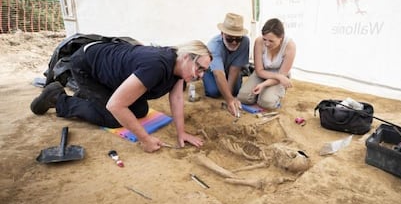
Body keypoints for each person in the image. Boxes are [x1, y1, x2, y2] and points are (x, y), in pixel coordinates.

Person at [30, 39, 212, 153]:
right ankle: (58, 99)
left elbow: (177, 98)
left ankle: (88, 96)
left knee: (140, 109)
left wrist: (182, 133)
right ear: (187, 57)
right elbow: (116, 106)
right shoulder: (156, 66)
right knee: (113, 117)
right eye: (200, 68)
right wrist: (145, 140)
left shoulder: (179, 67)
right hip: (87, 66)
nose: (201, 75)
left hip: (111, 68)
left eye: (205, 70)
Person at [237, 18, 296, 109]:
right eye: (265, 39)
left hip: (279, 78)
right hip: (263, 74)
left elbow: (282, 75)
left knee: (266, 102)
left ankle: (275, 92)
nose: (267, 43)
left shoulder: (290, 46)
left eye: (271, 41)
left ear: (281, 38)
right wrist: (278, 76)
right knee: (244, 97)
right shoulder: (259, 42)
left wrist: (263, 84)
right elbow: (259, 71)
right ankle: (263, 93)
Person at [203, 13, 250, 117]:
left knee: (235, 90)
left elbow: (235, 69)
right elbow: (218, 74)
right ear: (222, 34)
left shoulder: (245, 42)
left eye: (238, 39)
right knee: (213, 92)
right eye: (230, 39)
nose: (234, 42)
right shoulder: (213, 45)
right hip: (213, 71)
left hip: (230, 70)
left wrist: (228, 95)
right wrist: (229, 100)